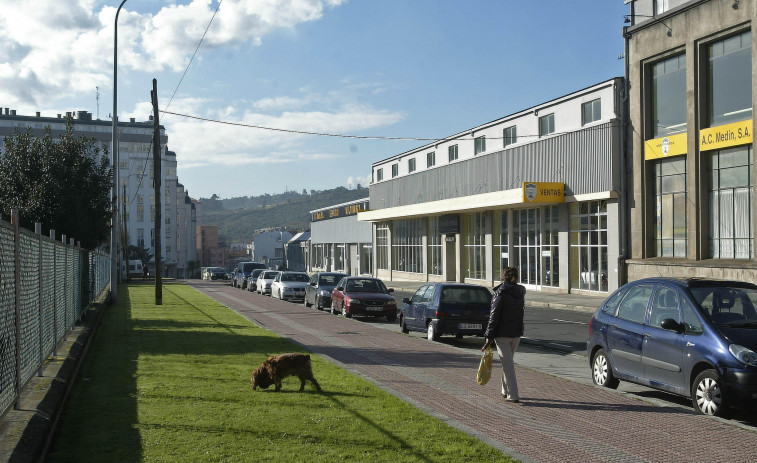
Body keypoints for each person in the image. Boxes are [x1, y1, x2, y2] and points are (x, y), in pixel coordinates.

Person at [482, 267, 526, 403]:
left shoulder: (500, 293)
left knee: (508, 365)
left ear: (504, 276)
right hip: (516, 333)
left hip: (502, 334)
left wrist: (489, 336)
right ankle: (504, 389)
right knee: (507, 363)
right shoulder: (520, 292)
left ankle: (513, 394)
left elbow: (493, 316)